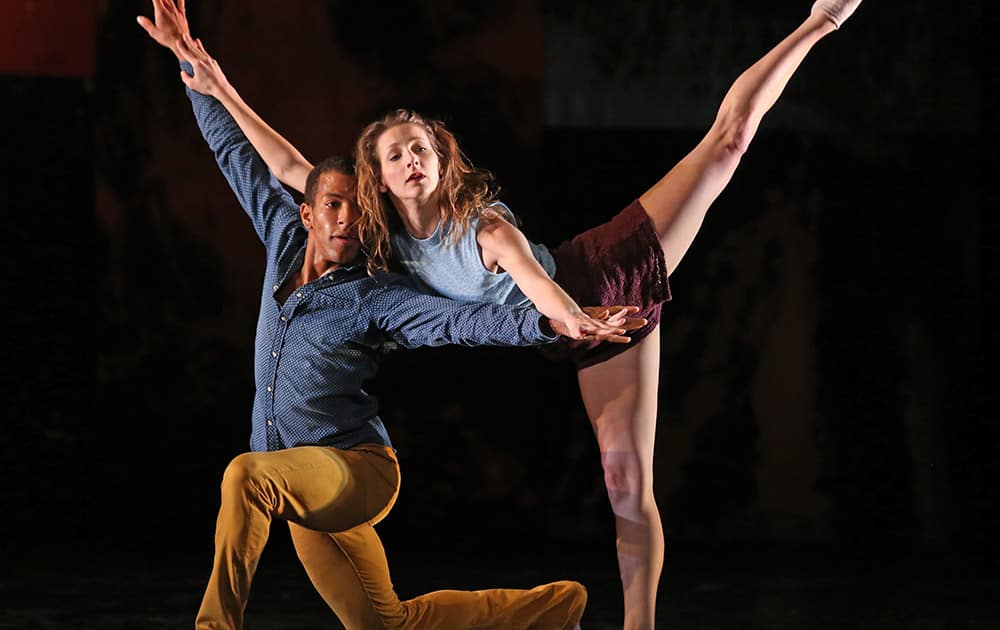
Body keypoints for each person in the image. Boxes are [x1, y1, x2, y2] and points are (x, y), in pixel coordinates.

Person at [147, 1, 865, 627]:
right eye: (395, 154)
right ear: (381, 178)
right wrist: (209, 78)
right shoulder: (374, 234)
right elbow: (285, 165)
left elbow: (532, 282)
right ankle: (564, 611)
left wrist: (572, 318)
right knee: (617, 490)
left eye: (420, 146)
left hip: (594, 285)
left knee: (725, 144)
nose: (410, 159)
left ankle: (820, 19)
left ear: (440, 158)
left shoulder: (481, 226)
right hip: (559, 333)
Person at [137, 3, 647, 628]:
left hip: (354, 472)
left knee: (246, 476)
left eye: (358, 209)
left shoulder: (377, 293)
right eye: (332, 205)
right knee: (384, 625)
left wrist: (548, 322)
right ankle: (554, 608)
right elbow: (236, 152)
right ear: (307, 211)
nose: (346, 219)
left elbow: (464, 323)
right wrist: (192, 63)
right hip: (296, 480)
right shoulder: (280, 237)